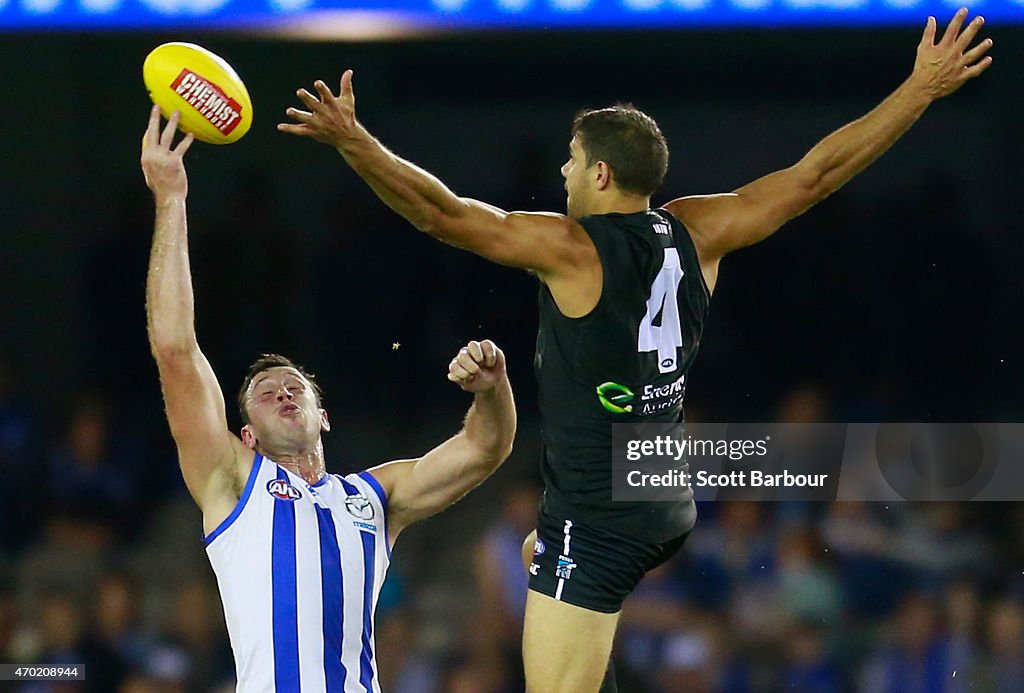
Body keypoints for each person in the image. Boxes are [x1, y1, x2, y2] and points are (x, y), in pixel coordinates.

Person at [277, 11, 991, 692]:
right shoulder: (700, 228)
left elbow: (442, 214)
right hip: (660, 492)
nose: (562, 171)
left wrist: (354, 141)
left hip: (599, 514)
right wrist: (920, 88)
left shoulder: (573, 250)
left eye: (571, 159)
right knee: (535, 554)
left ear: (602, 176)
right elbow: (816, 175)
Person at [140, 105, 517, 692]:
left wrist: (493, 390)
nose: (284, 392)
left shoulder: (374, 497)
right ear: (246, 436)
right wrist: (171, 200)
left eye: (296, 388)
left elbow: (484, 448)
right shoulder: (231, 479)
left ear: (325, 417)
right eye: (265, 394)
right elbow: (175, 349)